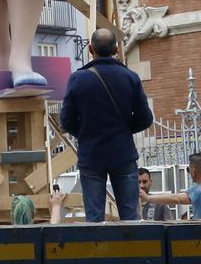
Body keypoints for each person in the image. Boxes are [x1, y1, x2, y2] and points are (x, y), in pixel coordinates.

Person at [59, 26, 154, 222]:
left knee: (94, 218)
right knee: (131, 217)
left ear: (91, 49)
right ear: (116, 50)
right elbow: (145, 118)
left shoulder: (78, 79)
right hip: (123, 154)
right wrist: (125, 130)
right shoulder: (130, 77)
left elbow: (66, 121)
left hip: (91, 154)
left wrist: (86, 133)